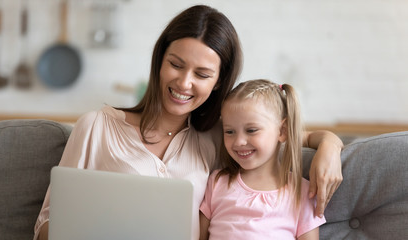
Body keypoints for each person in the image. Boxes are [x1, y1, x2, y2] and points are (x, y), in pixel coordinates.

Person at [34, 5, 343, 240]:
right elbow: (46, 223)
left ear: (218, 83)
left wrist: (330, 145)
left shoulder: (216, 137)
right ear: (159, 62)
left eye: (202, 74)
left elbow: (282, 134)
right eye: (176, 65)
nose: (184, 82)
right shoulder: (96, 127)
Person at [199, 79, 326, 240]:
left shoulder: (302, 192)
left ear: (282, 131)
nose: (238, 141)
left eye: (251, 130)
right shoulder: (217, 183)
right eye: (230, 131)